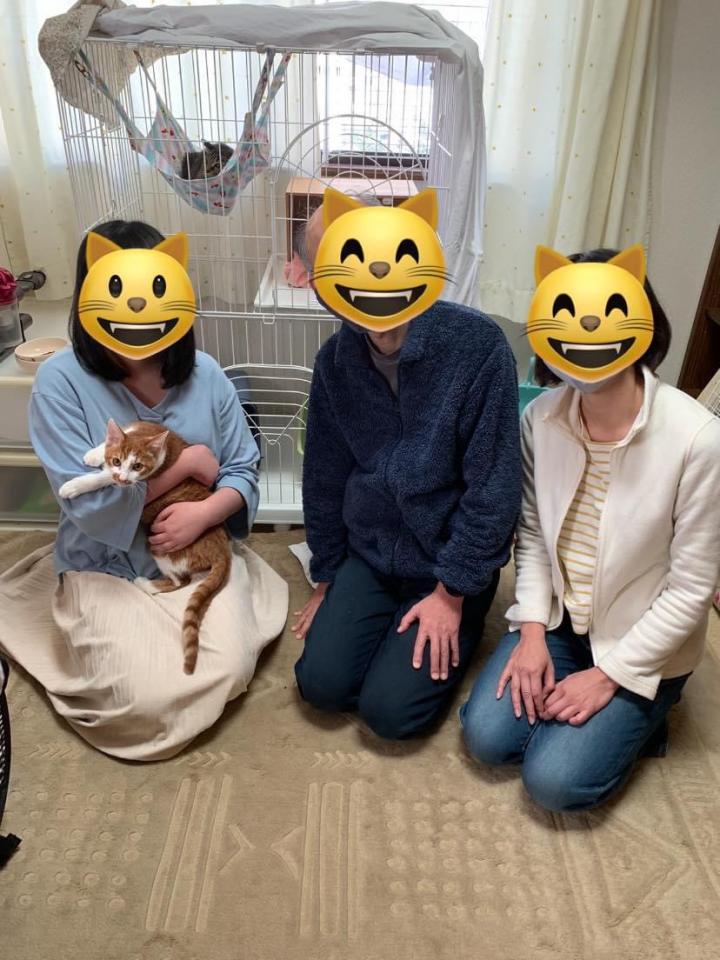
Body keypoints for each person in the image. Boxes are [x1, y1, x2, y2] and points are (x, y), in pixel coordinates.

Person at [0, 220, 288, 761]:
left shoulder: (206, 374)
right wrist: (186, 467)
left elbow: (243, 469)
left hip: (195, 551)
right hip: (103, 561)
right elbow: (89, 505)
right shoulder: (61, 382)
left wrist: (206, 515)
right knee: (141, 702)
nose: (137, 309)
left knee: (226, 666)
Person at [460, 248, 720, 811]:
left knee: (553, 782)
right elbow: (531, 535)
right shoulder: (539, 418)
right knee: (486, 739)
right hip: (561, 622)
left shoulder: (698, 439)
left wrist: (611, 676)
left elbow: (692, 588)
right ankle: (586, 703)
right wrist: (532, 632)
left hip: (639, 641)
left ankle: (650, 715)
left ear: (642, 320)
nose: (586, 330)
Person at [292, 202, 522, 739]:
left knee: (390, 714)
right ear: (320, 285)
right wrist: (328, 576)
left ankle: (455, 616)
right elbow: (323, 477)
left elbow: (495, 488)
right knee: (321, 686)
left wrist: (452, 592)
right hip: (371, 553)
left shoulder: (478, 347)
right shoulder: (334, 362)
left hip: (446, 560)